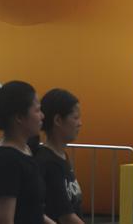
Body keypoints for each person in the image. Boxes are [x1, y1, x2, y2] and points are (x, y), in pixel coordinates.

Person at [0, 80, 50, 224]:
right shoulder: (5, 160)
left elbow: (30, 210)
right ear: (19, 117)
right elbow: (4, 220)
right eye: (37, 110)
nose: (42, 116)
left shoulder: (25, 151)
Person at [36, 88, 84, 224]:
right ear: (58, 120)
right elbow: (66, 216)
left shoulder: (61, 157)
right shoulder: (48, 162)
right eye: (75, 117)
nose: (80, 123)